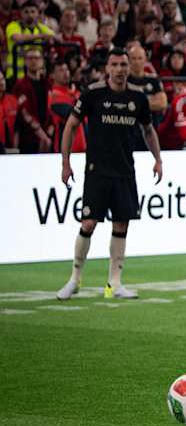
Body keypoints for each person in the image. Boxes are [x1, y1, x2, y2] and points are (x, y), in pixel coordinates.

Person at [56, 48, 162, 301]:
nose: (120, 69)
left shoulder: (138, 98)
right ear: (107, 69)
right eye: (115, 64)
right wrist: (65, 162)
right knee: (88, 223)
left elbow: (148, 130)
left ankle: (114, 283)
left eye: (124, 64)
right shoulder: (93, 94)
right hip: (97, 171)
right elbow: (71, 125)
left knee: (121, 224)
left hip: (125, 170)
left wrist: (158, 159)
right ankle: (75, 279)